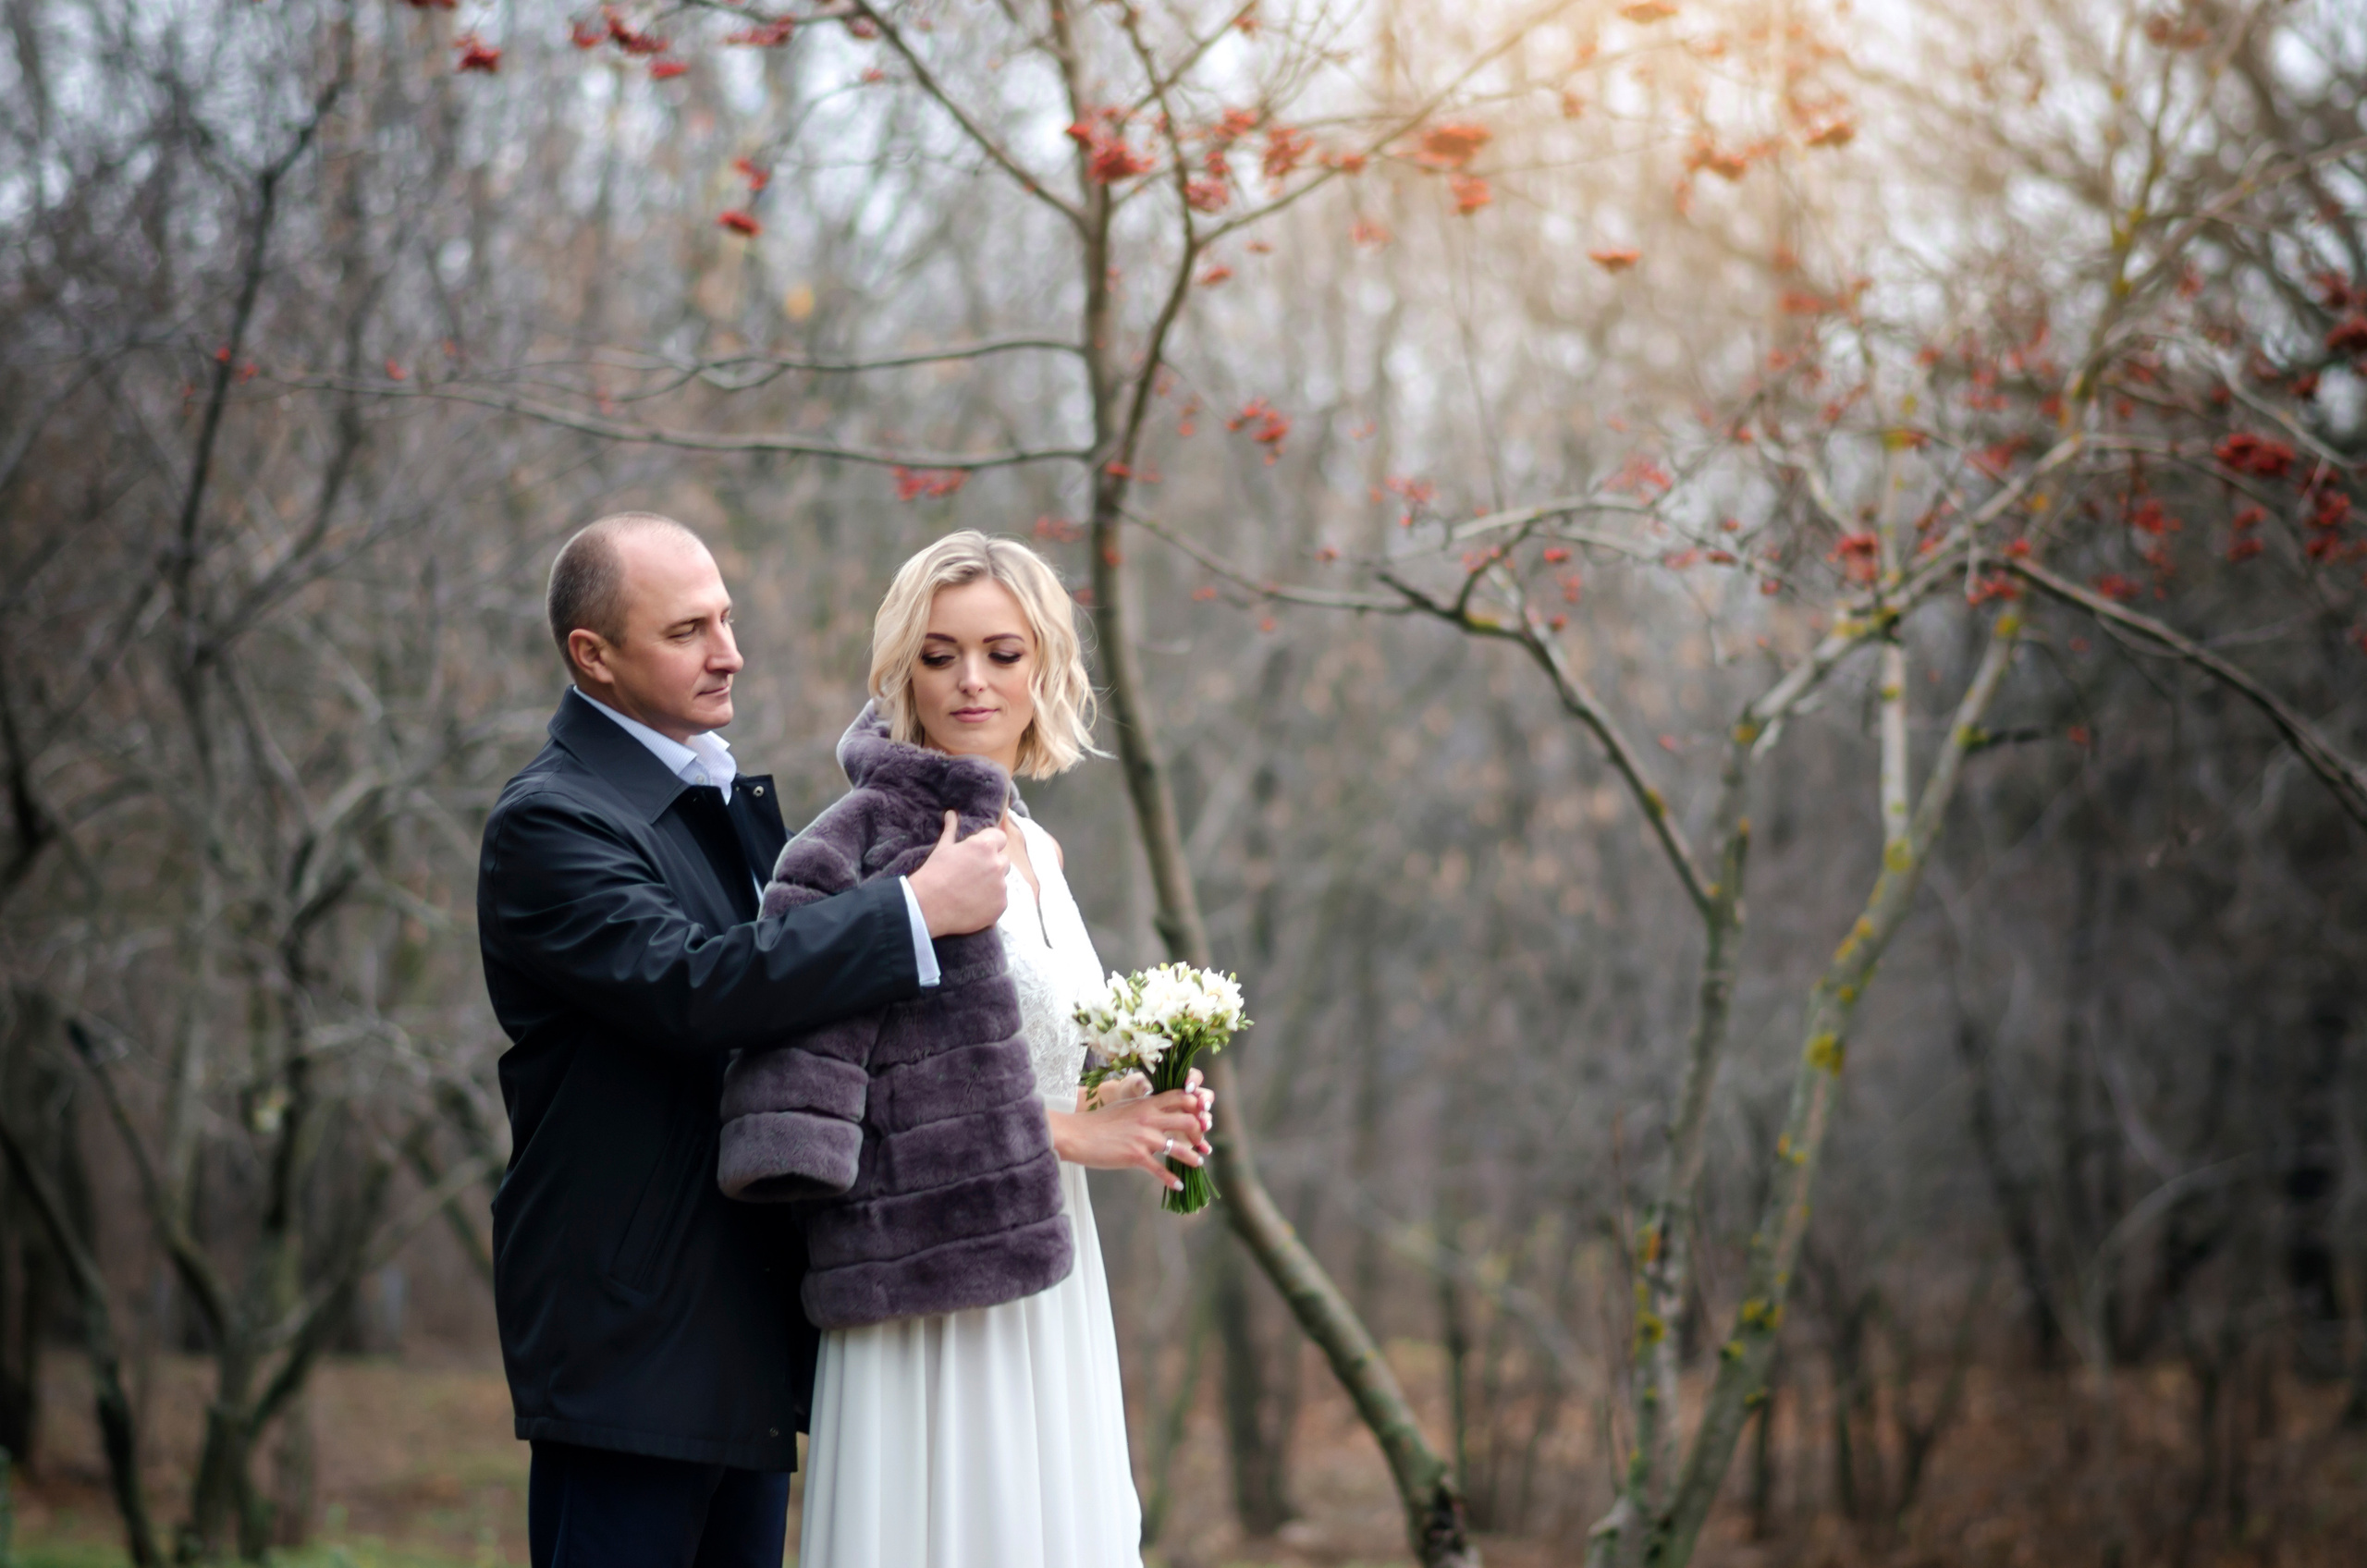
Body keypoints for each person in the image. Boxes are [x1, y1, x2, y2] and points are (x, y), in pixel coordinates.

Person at [475, 513, 1012, 1568]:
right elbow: (694, 987)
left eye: (725, 619)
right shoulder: (551, 822)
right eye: (687, 631)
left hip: (745, 1326)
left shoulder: (713, 796)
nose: (729, 652)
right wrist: (911, 910)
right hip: (632, 1343)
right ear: (593, 655)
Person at [717, 531, 1212, 1567]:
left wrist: (1129, 1104)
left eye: (1002, 652)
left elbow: (1003, 1056)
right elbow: (810, 1114)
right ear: (902, 671)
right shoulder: (849, 844)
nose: (971, 681)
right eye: (939, 656)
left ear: (1046, 668)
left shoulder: (1039, 846)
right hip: (925, 1285)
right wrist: (1067, 1132)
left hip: (1051, 1261)